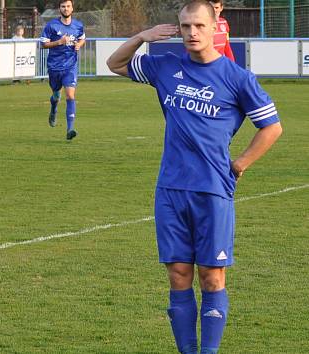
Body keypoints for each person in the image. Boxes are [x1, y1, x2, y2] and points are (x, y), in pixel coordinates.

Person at [106, 1, 282, 353]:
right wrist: (142, 35)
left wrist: (240, 163)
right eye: (185, 26)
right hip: (170, 189)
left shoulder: (236, 78)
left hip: (213, 189)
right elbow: (115, 64)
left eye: (199, 26)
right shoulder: (167, 66)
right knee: (178, 275)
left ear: (215, 26)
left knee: (212, 276)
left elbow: (271, 127)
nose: (191, 33)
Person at [40, 0, 85, 140]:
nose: (66, 9)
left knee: (70, 96)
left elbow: (82, 38)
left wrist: (79, 44)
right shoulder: (52, 25)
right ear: (59, 8)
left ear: (72, 8)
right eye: (63, 6)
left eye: (68, 6)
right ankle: (53, 108)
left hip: (70, 66)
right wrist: (59, 42)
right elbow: (43, 44)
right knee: (56, 96)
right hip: (54, 67)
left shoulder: (78, 25)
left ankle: (70, 129)